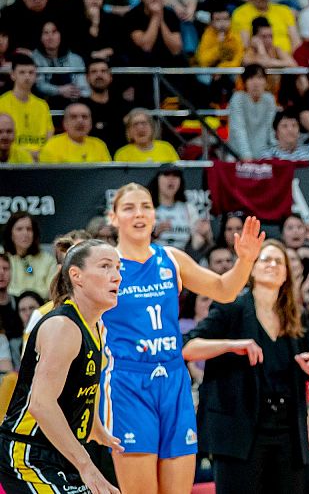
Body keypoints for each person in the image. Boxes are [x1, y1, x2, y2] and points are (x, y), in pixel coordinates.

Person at [104, 183, 266, 494]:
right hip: (128, 382)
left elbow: (224, 290)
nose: (139, 214)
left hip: (173, 380)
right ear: (113, 217)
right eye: (129, 208)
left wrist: (245, 260)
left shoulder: (171, 258)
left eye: (146, 206)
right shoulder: (106, 264)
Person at [182, 238, 309, 494]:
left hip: (287, 433)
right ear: (251, 268)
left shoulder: (291, 317)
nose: (272, 265)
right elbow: (187, 347)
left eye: (278, 261)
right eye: (265, 259)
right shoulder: (232, 307)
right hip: (239, 433)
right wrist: (231, 345)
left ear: (286, 273)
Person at [0, 240, 121, 494]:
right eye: (106, 267)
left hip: (63, 451)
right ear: (76, 276)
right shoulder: (62, 326)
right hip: (30, 451)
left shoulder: (97, 326)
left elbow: (88, 383)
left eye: (118, 268)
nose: (117, 277)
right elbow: (41, 404)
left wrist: (96, 427)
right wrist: (87, 465)